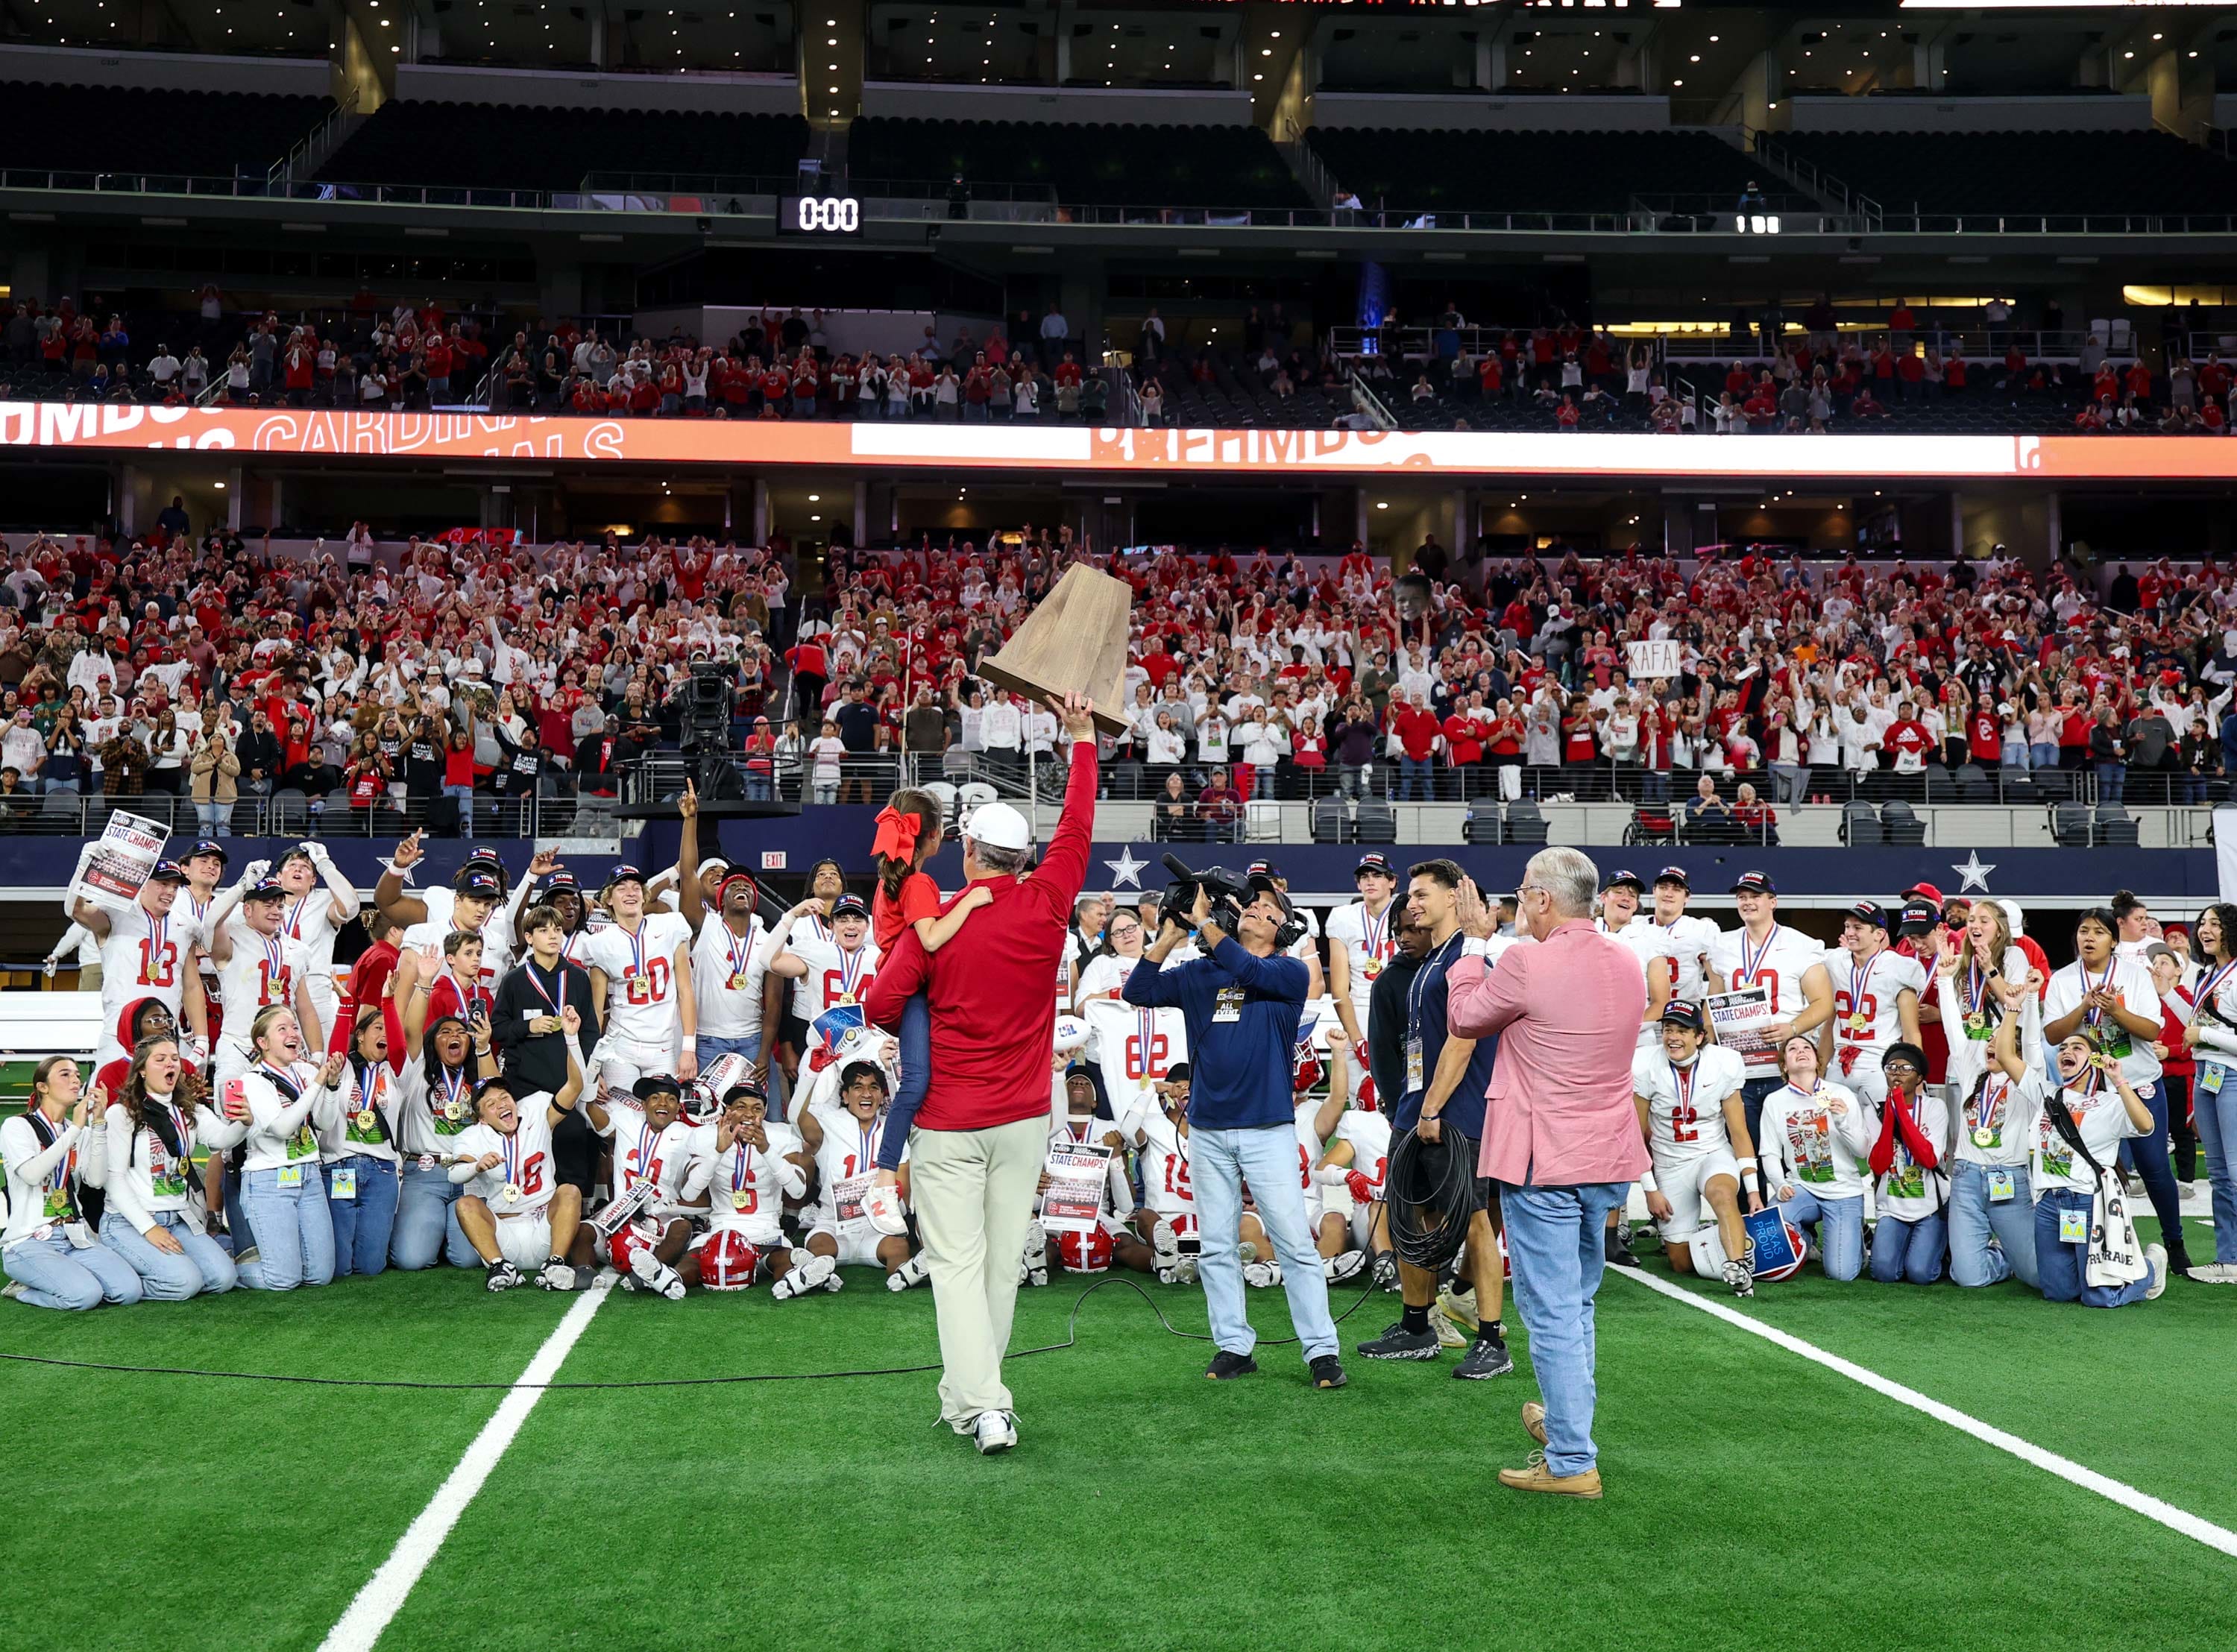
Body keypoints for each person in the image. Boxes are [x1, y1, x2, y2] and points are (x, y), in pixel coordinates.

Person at [863, 692, 1101, 1457]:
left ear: (969, 852)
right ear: (1023, 857)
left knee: (960, 1268)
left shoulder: (940, 920)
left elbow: (878, 1004)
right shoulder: (1048, 901)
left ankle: (985, 1404)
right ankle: (973, 1398)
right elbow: (1078, 825)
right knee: (1000, 1266)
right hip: (1026, 1116)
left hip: (949, 1122)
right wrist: (1084, 739)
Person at [1444, 849, 1647, 1498]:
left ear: (1541, 900)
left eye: (1524, 893)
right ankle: (1567, 1424)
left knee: (1553, 1309)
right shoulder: (1627, 960)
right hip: (1606, 1155)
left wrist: (1474, 945)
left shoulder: (1525, 960)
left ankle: (1571, 1460)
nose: (1520, 902)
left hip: (1544, 1159)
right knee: (1577, 1300)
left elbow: (1465, 1017)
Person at [1126, 875, 1346, 1391]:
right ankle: (1233, 1346)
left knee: (1293, 1241)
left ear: (1281, 925)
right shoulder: (1204, 972)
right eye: (1251, 902)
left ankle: (1321, 1351)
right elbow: (1138, 990)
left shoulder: (1288, 972)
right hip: (1207, 1129)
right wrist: (1171, 934)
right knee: (1217, 1246)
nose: (1253, 908)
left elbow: (1246, 968)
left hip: (1268, 1130)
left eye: (1266, 905)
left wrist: (1205, 922)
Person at [1358, 859, 1511, 1379]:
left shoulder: (1469, 958)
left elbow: (1464, 1041)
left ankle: (1491, 1341)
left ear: (1453, 897)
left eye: (1423, 894)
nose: (1413, 903)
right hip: (1417, 1108)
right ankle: (1417, 1326)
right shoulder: (1430, 960)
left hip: (1453, 1113)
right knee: (1410, 1219)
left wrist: (1431, 1108)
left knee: (1472, 1222)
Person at [867, 786, 994, 1209]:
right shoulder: (918, 881)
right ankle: (885, 1178)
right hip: (912, 992)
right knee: (918, 1081)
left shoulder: (893, 878)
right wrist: (972, 898)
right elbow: (933, 937)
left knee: (928, 1080)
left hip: (903, 987)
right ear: (935, 837)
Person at [2043, 907, 2186, 1276]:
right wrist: (2085, 1006)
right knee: (2092, 1169)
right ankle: (2098, 1242)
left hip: (2135, 1082)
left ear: (2114, 940)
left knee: (2154, 1168)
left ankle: (2175, 1242)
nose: (2088, 938)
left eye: (2098, 932)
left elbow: (2153, 1031)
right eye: (2083, 931)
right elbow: (2054, 1035)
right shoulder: (2062, 979)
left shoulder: (2135, 976)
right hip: (2084, 1090)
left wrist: (2116, 1011)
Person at [447, 1014, 601, 1293]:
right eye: (491, 1104)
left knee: (569, 1191)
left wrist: (571, 1038)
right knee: (466, 1204)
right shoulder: (471, 1137)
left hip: (545, 1226)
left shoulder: (536, 1108)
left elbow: (575, 1087)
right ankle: (499, 1266)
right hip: (504, 1234)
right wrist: (477, 1167)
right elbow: (455, 1174)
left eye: (505, 1097)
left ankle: (555, 1264)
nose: (502, 1104)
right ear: (481, 1118)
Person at [1705, 871, 1834, 1194]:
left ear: (1772, 902)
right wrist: (1709, 1036)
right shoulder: (1723, 944)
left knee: (1792, 1146)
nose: (1747, 902)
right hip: (1739, 1064)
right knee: (1743, 1145)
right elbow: (1714, 999)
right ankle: (1751, 1220)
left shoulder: (1801, 945)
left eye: (1755, 896)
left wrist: (1791, 1028)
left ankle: (1796, 1226)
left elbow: (1824, 1003)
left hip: (1783, 1063)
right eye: (1742, 897)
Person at [2033, 1029, 2171, 1307]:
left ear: (2095, 1060)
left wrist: (2119, 1080)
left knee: (2099, 1296)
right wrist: (2019, 1005)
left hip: (2087, 1201)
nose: (2066, 1051)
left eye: (2077, 1048)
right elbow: (2006, 1055)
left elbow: (2146, 1125)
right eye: (2062, 1048)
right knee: (2058, 1293)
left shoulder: (2110, 1101)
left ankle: (2151, 1268)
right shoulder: (2046, 1092)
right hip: (2050, 1202)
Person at [101, 1033, 241, 1299]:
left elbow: (222, 1139)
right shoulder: (122, 1113)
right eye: (161, 1059)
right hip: (128, 1221)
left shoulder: (189, 1110)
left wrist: (242, 1123)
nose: (171, 1065)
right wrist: (148, 1228)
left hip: (178, 1219)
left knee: (224, 1278)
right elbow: (115, 1179)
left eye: (175, 1059)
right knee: (185, 1283)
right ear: (141, 1070)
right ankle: (120, 1280)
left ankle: (152, 1268)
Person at [1633, 1000, 1759, 1294]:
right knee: (1680, 1262)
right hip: (1670, 1162)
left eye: (1682, 1031)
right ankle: (1723, 1237)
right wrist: (1650, 1189)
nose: (1673, 1037)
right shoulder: (1644, 1064)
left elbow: (1738, 1132)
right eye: (1668, 1029)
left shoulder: (1724, 1063)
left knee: (1722, 1193)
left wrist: (1752, 1189)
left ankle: (1739, 1267)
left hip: (1710, 1153)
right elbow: (1634, 1135)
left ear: (1700, 1037)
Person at [2, 1056, 142, 1311]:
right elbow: (32, 1175)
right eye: (65, 1074)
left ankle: (61, 1277)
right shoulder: (16, 1126)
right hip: (29, 1239)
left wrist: (97, 1125)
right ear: (42, 1087)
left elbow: (96, 1181)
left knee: (128, 1291)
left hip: (73, 1233)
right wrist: (76, 1129)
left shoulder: (82, 1132)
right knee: (84, 1296)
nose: (76, 1080)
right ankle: (23, 1290)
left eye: (77, 1075)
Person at [230, 1006, 348, 1293]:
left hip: (309, 1175)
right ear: (263, 1043)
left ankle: (274, 1255)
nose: (293, 1034)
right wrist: (319, 1082)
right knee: (283, 1280)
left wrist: (331, 1086)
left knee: (320, 1275)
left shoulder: (306, 1071)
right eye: (282, 1029)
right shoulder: (252, 1081)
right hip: (268, 1179)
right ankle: (229, 1270)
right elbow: (282, 1128)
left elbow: (324, 1121)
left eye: (295, 1027)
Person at [680, 1078, 831, 1296]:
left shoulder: (780, 1135)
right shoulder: (706, 1136)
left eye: (757, 1108)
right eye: (741, 1107)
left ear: (765, 1112)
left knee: (781, 1260)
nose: (749, 1114)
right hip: (721, 1230)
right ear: (728, 1110)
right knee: (693, 1262)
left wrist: (767, 1150)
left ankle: (795, 1280)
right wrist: (718, 1152)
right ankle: (665, 1279)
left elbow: (798, 1191)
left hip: (766, 1231)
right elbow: (689, 1193)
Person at [73, 857, 209, 1078]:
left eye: (175, 887)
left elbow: (191, 985)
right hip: (119, 1034)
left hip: (166, 1034)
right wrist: (85, 866)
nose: (170, 892)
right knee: (106, 1105)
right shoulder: (116, 914)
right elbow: (76, 910)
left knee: (168, 1106)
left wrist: (202, 1038)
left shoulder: (186, 925)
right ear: (143, 883)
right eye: (163, 884)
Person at [1757, 1032, 1871, 1281]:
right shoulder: (1774, 1101)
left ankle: (1855, 1237)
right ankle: (1806, 1239)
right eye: (1792, 1049)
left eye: (1807, 1047)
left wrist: (1842, 1120)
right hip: (1801, 1188)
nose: (1801, 1051)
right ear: (1784, 1065)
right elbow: (1769, 1152)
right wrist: (1780, 1184)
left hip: (1842, 1191)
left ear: (1818, 1061)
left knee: (1841, 1273)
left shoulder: (1841, 1093)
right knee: (1776, 1221)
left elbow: (1862, 1150)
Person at [1949, 1005, 2045, 1290]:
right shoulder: (1971, 1076)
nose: (1992, 1044)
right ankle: (2003, 1254)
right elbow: (1954, 1032)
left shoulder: (2028, 1085)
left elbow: (2033, 1045)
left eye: (2000, 1041)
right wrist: (1943, 980)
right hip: (1966, 1179)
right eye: (1989, 1039)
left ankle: (2012, 1251)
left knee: (2037, 1277)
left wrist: (2026, 1000)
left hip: (2009, 1179)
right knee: (1969, 1278)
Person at [581, 863, 699, 1090]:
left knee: (663, 1118)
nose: (630, 893)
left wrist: (689, 1048)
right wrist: (593, 1064)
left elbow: (685, 991)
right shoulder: (598, 944)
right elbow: (596, 1010)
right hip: (621, 1046)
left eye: (636, 887)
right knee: (622, 1117)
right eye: (622, 888)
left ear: (644, 896)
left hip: (663, 1045)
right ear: (608, 899)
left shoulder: (670, 926)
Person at [321, 1005, 401, 1279]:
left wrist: (389, 1002)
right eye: (378, 1028)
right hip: (339, 1167)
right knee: (339, 1268)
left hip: (381, 1173)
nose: (386, 1034)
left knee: (370, 1267)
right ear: (360, 1036)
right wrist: (344, 1007)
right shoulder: (342, 1069)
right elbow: (334, 1053)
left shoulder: (397, 1073)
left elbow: (400, 1045)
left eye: (389, 1029)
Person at [2181, 902, 2237, 1282]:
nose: (2205, 929)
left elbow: (2200, 1031)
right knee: (2218, 1174)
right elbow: (2191, 1025)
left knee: (2234, 1172)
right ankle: (2228, 1259)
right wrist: (2167, 992)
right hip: (2205, 1075)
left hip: (2231, 1076)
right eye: (2202, 923)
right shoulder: (2206, 975)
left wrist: (2205, 1035)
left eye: (2215, 924)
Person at [1825, 902, 1925, 1110]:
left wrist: (1914, 1078)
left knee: (1881, 1131)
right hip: (1839, 1061)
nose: (1850, 933)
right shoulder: (1832, 961)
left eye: (1858, 928)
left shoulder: (1899, 967)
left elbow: (1911, 1032)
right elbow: (1829, 1019)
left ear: (1879, 934)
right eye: (1847, 926)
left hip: (1879, 1064)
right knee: (1834, 1134)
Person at [1866, 1043, 1950, 1285]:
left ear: (1920, 1078)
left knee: (1920, 1274)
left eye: (1905, 1068)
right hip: (1892, 1208)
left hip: (1930, 1208)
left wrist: (1900, 1109)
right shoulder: (1873, 1112)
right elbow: (1879, 1164)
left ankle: (1942, 1252)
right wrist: (1890, 1113)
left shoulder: (1936, 1107)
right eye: (1891, 1067)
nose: (1897, 1073)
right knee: (1885, 1273)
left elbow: (1928, 1158)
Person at [1323, 851, 1400, 1111]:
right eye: (1364, 876)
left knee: (1404, 1103)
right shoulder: (1344, 917)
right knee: (1363, 1102)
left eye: (1378, 875)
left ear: (1392, 881)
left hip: (1402, 1012)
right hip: (1360, 1014)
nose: (1370, 881)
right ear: (1357, 884)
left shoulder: (1409, 911)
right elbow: (1339, 990)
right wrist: (1357, 1040)